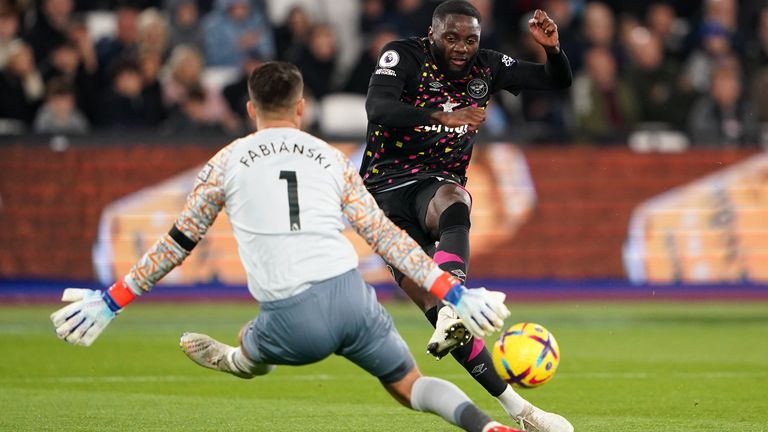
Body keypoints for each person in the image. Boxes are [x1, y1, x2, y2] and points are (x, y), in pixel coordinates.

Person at [50, 61, 521, 432]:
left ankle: (236, 360)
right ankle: (486, 426)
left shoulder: (226, 162)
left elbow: (177, 244)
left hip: (290, 318)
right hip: (354, 301)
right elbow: (387, 239)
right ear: (301, 108)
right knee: (410, 385)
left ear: (251, 110)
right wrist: (455, 293)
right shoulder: (332, 160)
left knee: (247, 348)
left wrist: (112, 301)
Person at [360, 1, 573, 431]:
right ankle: (517, 405)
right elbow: (378, 108)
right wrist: (442, 114)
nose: (461, 48)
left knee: (454, 200)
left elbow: (556, 81)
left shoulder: (488, 68)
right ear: (432, 33)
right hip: (383, 188)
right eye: (452, 38)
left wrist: (553, 51)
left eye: (470, 40)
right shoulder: (402, 56)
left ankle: (524, 413)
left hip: (436, 180)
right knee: (434, 309)